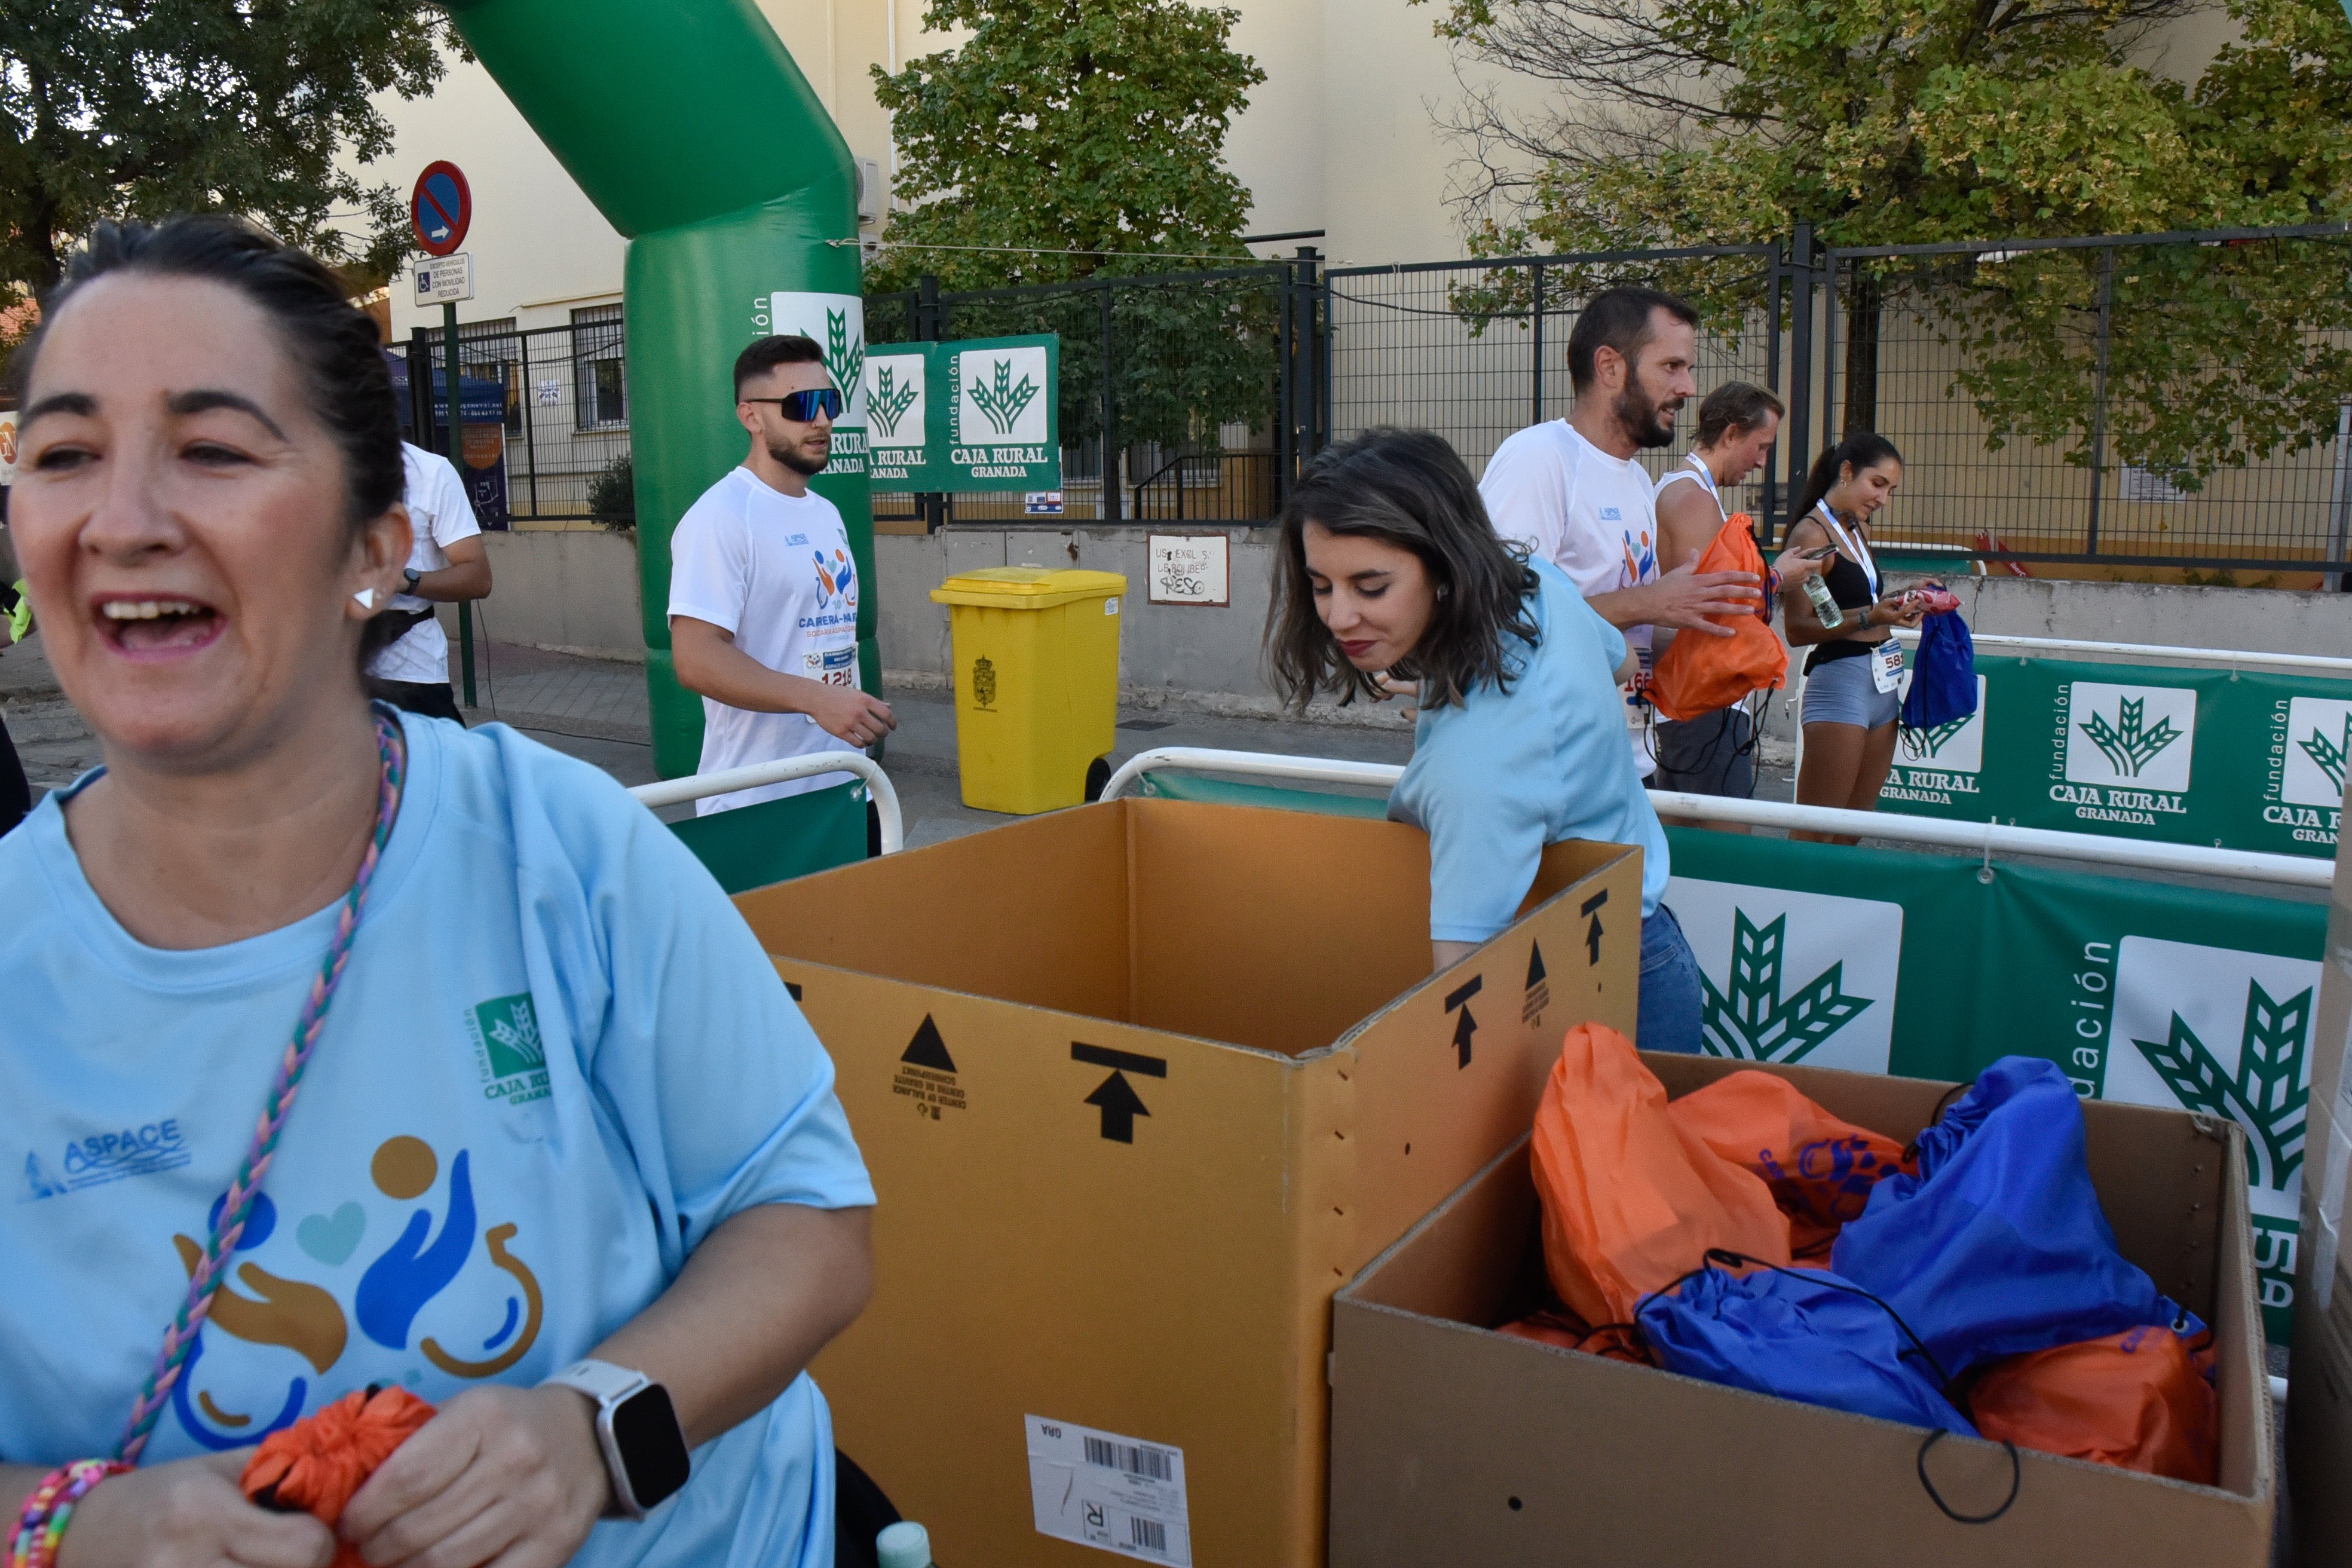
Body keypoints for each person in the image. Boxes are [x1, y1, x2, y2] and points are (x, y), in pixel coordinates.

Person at [0, 216, 874, 1568]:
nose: (122, 519)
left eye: (213, 449)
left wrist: (596, 1430)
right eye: (62, 454)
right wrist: (72, 1521)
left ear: (375, 550)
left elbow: (806, 1219)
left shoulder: (564, 848)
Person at [1268, 426, 1702, 1054]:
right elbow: (1617, 664)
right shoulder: (1534, 584)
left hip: (1570, 987)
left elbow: (1459, 990)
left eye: (1371, 587)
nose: (1338, 617)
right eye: (1321, 584)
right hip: (1641, 944)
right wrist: (1450, 690)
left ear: (1446, 568)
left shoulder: (1476, 771)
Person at [1479, 286, 1762, 783]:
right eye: (1672, 367)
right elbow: (1499, 621)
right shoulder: (1539, 459)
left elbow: (1633, 624)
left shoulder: (1634, 478)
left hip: (1626, 763)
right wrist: (1651, 603)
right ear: (1610, 367)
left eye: (1688, 368)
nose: (1689, 388)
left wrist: (1711, 623)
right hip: (1547, 769)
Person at [668, 335, 896, 815]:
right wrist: (817, 700)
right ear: (751, 416)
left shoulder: (827, 512)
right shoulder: (722, 516)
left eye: (829, 402)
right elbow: (695, 658)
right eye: (801, 405)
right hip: (757, 799)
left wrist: (838, 708)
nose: (821, 420)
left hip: (844, 784)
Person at [1649, 381, 1824, 814]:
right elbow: (1712, 608)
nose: (1763, 462)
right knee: (1722, 847)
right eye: (1761, 447)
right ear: (1730, 435)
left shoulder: (1691, 494)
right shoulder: (1693, 500)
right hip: (1700, 703)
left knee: (1699, 851)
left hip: (1699, 702)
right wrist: (1780, 576)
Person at [1779, 431, 1927, 844]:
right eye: (1877, 484)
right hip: (1841, 685)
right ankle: (1790, 903)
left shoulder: (1854, 528)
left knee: (1855, 828)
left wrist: (1903, 601)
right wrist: (1871, 616)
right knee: (1817, 830)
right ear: (1847, 472)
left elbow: (1859, 604)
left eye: (1891, 490)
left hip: (1883, 685)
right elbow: (1800, 628)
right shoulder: (1812, 537)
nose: (1883, 499)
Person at [368, 439, 491, 724]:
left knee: (435, 765)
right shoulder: (312, 466)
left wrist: (406, 581)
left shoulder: (431, 472)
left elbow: (478, 577)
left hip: (411, 671)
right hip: (331, 668)